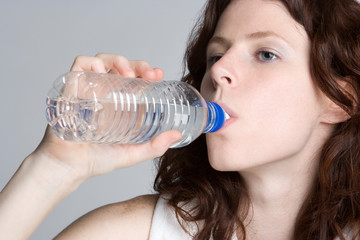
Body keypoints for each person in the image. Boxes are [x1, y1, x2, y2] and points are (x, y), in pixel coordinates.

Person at [1, 0, 360, 239]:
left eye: (265, 53)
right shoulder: (134, 232)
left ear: (339, 100)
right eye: (216, 54)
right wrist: (51, 168)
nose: (219, 70)